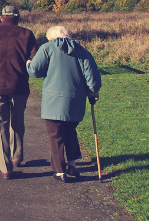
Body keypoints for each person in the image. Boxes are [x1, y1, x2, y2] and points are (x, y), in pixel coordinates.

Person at [27, 25, 102, 183]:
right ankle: (72, 164)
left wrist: (28, 64)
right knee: (70, 131)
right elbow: (91, 75)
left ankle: (59, 171)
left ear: (51, 37)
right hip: (76, 100)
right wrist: (93, 91)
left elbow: (35, 71)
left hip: (53, 100)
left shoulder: (47, 48)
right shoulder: (82, 50)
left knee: (55, 135)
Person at [0, 5, 39, 179]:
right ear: (18, 18)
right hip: (19, 85)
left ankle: (5, 167)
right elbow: (35, 59)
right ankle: (17, 157)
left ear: (1, 17)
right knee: (17, 122)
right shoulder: (27, 34)